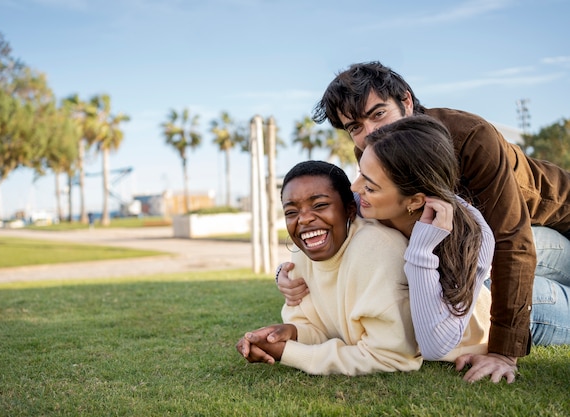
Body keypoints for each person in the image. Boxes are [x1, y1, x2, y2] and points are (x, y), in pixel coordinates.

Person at [276, 61, 570, 383]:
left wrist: (503, 350)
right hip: (479, 237)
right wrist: (290, 272)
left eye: (378, 114)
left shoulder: (471, 137)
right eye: (355, 127)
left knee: (486, 278)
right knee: (468, 276)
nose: (369, 133)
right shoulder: (374, 152)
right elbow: (349, 220)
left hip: (551, 219)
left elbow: (512, 241)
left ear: (406, 102)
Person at [236, 160, 422, 375]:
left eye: (320, 205)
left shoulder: (375, 248)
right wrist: (290, 333)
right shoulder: (301, 253)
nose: (304, 219)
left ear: (350, 210)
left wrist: (289, 353)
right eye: (291, 212)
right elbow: (322, 330)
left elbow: (393, 357)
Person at [350, 115, 495, 364]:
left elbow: (434, 346)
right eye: (360, 173)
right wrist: (284, 273)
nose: (355, 187)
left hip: (493, 304)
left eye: (371, 187)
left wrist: (422, 249)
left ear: (415, 201)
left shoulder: (473, 237)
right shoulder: (359, 203)